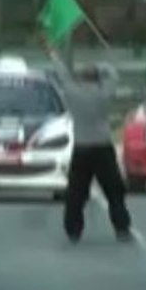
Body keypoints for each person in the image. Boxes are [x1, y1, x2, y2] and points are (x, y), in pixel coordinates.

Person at [45, 43, 131, 243]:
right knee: (113, 191)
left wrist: (52, 54)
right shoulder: (103, 94)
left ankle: (73, 230)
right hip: (102, 146)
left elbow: (62, 74)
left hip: (82, 147)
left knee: (76, 193)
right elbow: (114, 76)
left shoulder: (73, 92)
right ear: (98, 78)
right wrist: (104, 64)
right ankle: (122, 227)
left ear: (81, 78)